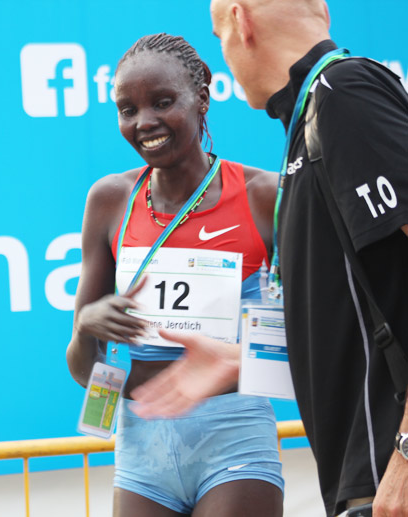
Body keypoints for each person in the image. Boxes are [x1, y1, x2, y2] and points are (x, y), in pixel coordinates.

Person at [130, 1, 408, 516]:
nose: (226, 56)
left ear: (240, 20)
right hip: (363, 480)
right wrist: (237, 361)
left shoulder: (343, 94)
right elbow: (347, 318)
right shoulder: (310, 119)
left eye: (217, 36)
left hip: (389, 475)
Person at [66, 33, 284, 517]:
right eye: (128, 109)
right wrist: (87, 326)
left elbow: (303, 346)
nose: (145, 122)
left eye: (163, 102)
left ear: (202, 97)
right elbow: (85, 371)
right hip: (142, 447)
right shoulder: (109, 200)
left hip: (234, 443)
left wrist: (233, 359)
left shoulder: (264, 195)